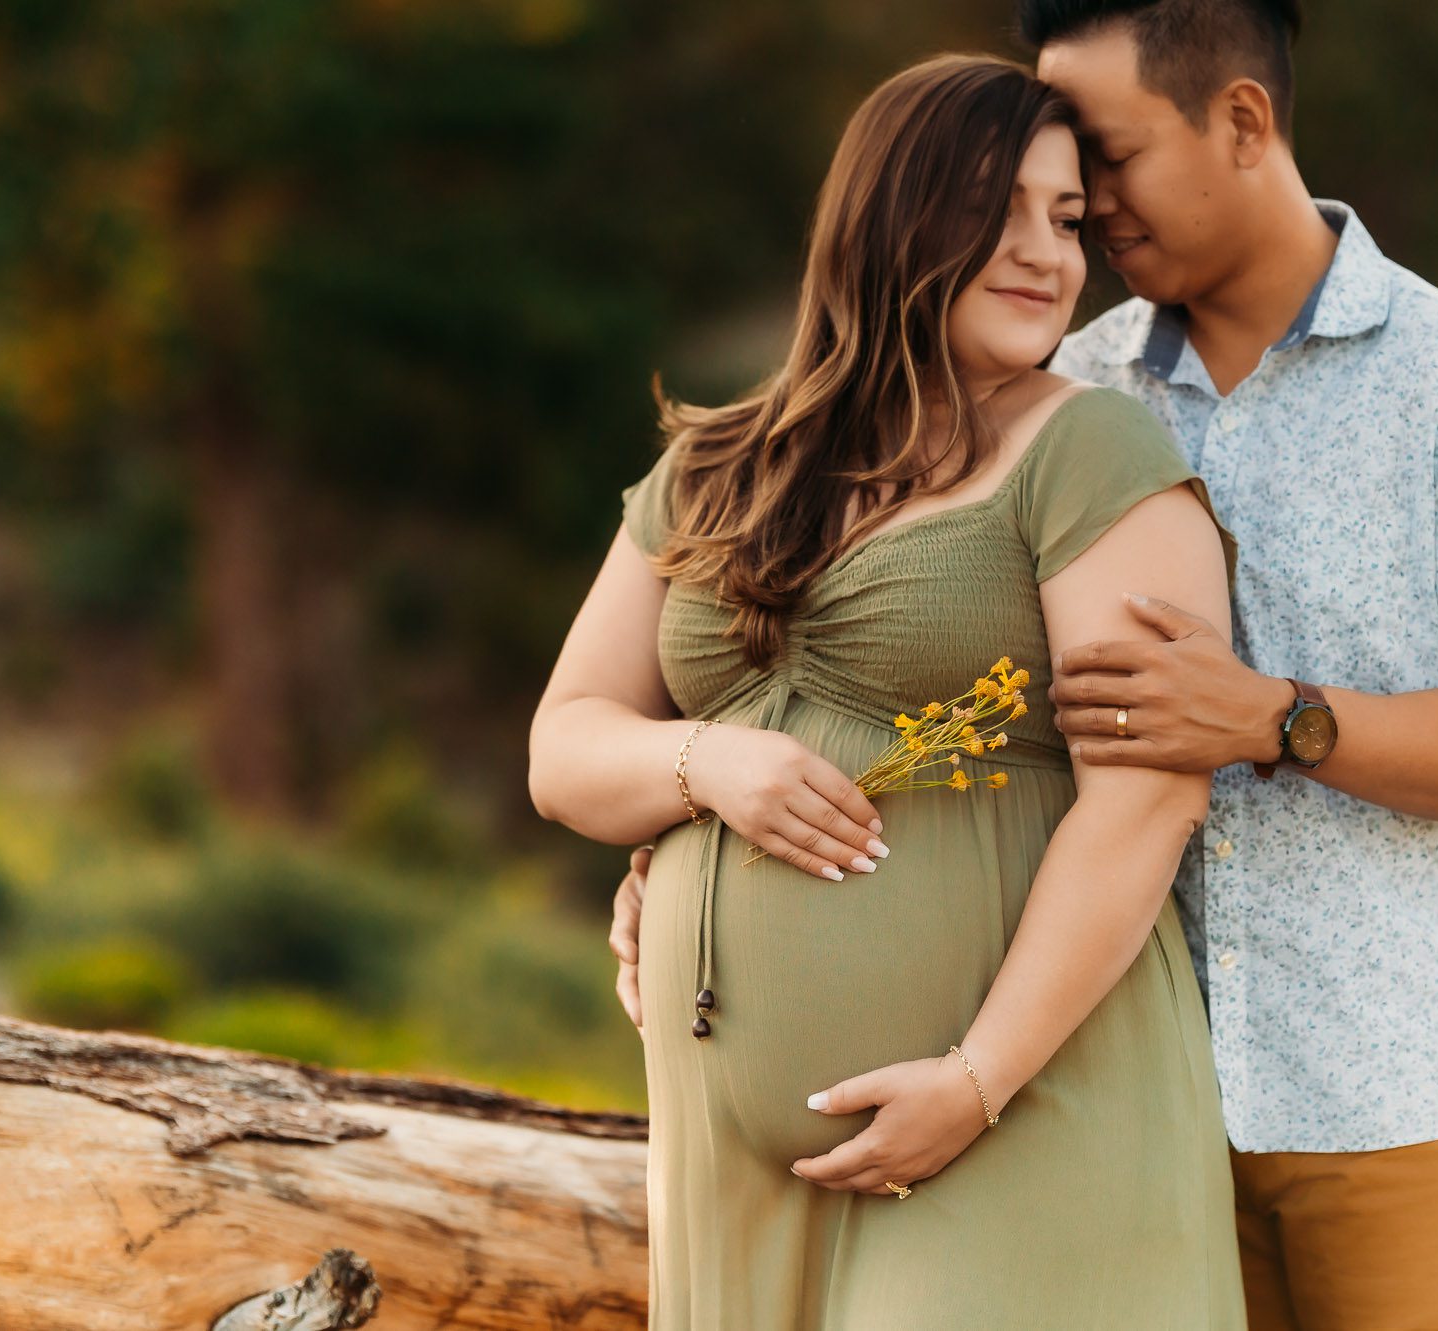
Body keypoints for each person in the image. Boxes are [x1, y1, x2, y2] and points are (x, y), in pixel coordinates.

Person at [531, 53, 1247, 1330]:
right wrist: (707, 765)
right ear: (888, 218)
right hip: (728, 1151)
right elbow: (566, 744)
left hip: (1018, 1111)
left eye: (1068, 220)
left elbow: (1145, 801)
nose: (1047, 255)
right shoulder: (712, 465)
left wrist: (975, 1080)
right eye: (1001, 210)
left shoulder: (1091, 451)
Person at [1023, 2, 1438, 1329]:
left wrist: (1271, 718)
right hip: (1134, 1109)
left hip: (1406, 1102)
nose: (1083, 199)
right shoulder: (1066, 389)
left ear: (1243, 119)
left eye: (1109, 152)